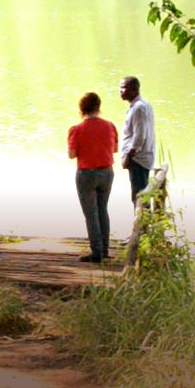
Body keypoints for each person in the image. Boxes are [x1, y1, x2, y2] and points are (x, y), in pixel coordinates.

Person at [68, 92, 118, 263]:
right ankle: (104, 249)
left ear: (82, 109)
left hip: (86, 174)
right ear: (98, 107)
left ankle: (96, 252)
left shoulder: (76, 129)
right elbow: (115, 149)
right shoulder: (110, 126)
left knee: (91, 214)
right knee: (103, 210)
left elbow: (72, 154)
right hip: (107, 172)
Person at [119, 76, 156, 207]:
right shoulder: (142, 105)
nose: (121, 91)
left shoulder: (139, 108)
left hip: (138, 160)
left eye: (124, 87)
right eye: (120, 87)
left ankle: (142, 226)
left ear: (134, 89)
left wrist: (129, 156)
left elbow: (140, 136)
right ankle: (146, 225)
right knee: (141, 195)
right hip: (142, 158)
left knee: (139, 198)